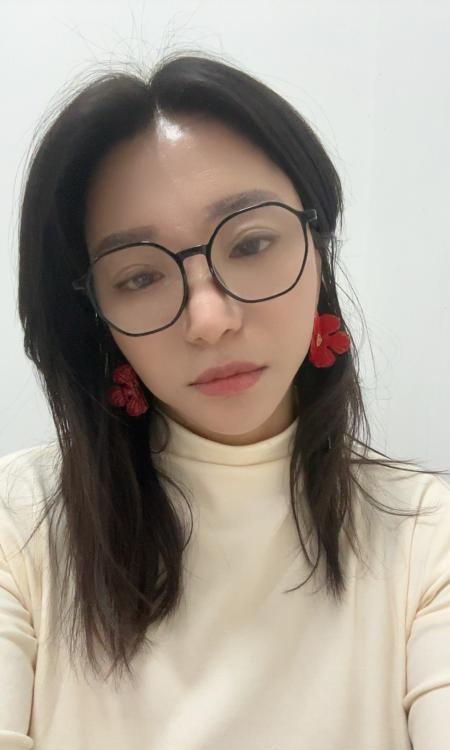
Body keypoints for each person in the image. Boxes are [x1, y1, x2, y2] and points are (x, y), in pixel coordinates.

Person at [0, 51, 449, 750]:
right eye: (140, 277)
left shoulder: (427, 538)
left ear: (318, 249)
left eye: (252, 242)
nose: (209, 320)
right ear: (99, 320)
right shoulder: (19, 525)